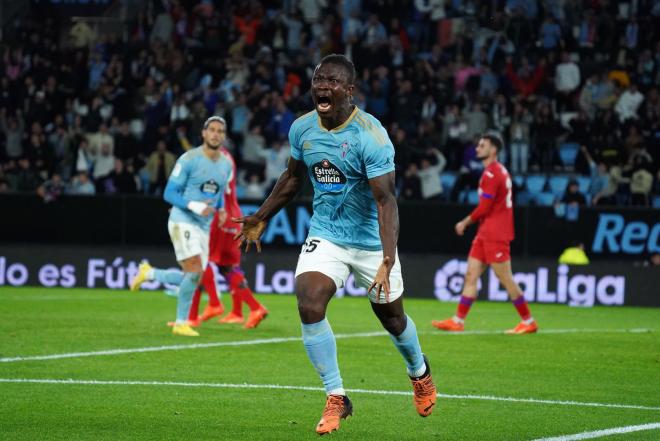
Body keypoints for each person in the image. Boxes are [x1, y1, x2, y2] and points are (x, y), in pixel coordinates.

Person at [233, 54, 437, 435]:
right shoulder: (303, 129)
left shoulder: (371, 136)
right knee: (309, 303)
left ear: (349, 90)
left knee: (392, 319)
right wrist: (261, 215)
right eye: (317, 80)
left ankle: (419, 371)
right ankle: (337, 396)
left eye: (331, 82)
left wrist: (387, 260)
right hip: (326, 235)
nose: (322, 87)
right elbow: (293, 178)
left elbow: (385, 201)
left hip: (372, 244)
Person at [130, 116, 233, 337]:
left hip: (204, 227)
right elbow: (169, 193)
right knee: (195, 272)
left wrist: (222, 210)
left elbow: (219, 192)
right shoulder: (189, 159)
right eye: (211, 130)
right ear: (204, 134)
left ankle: (149, 273)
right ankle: (180, 323)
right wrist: (194, 206)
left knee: (192, 276)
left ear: (223, 136)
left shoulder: (225, 164)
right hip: (182, 220)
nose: (215, 134)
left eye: (220, 131)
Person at [432, 134, 538, 335]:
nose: (478, 148)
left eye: (483, 145)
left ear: (494, 150)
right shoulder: (496, 171)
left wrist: (464, 222)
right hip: (486, 231)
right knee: (471, 275)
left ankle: (528, 320)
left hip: (495, 233)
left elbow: (485, 207)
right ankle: (458, 320)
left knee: (505, 278)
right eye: (478, 144)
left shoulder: (491, 174)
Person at [187, 146, 268, 329]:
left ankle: (208, 307)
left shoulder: (213, 158)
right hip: (234, 216)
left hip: (218, 216)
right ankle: (254, 308)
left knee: (200, 260)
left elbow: (211, 187)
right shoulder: (227, 156)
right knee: (228, 268)